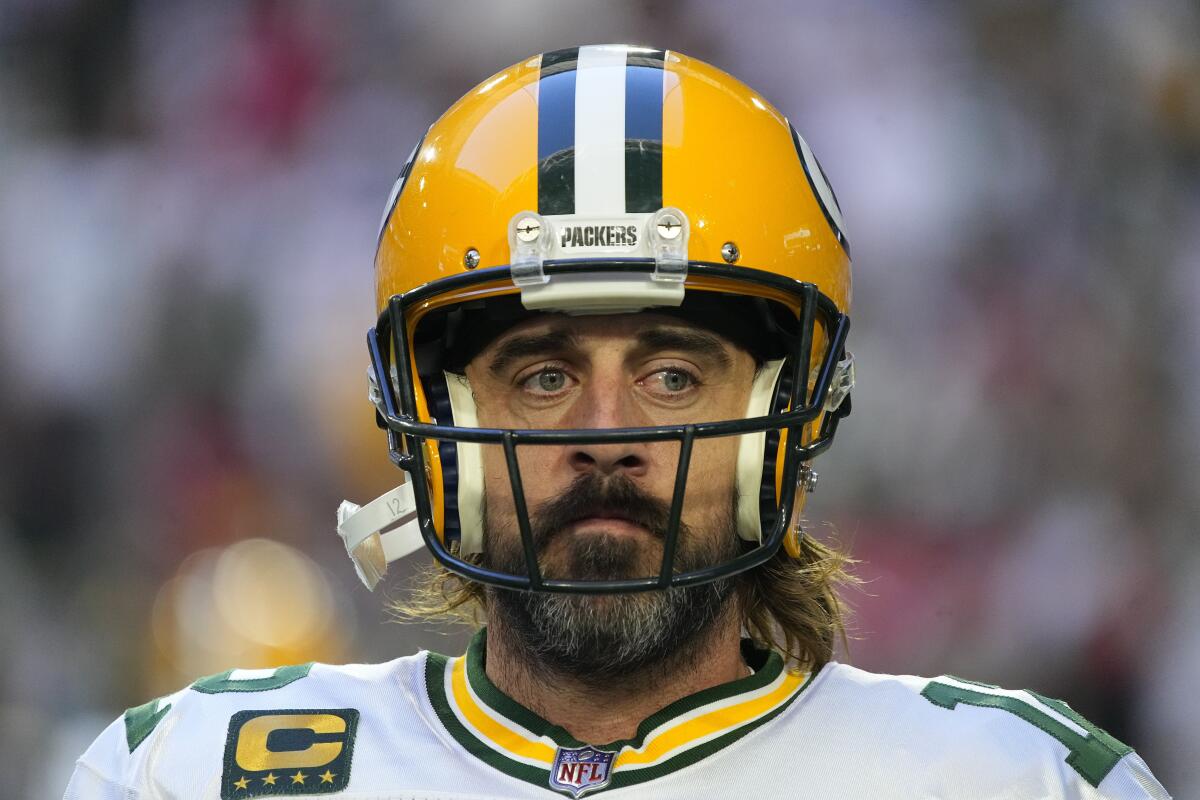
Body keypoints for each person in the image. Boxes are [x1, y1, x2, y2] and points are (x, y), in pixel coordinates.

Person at [66, 44, 1169, 800]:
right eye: (542, 375)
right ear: (430, 417)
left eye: (674, 374)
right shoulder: (193, 768)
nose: (606, 431)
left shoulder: (1006, 777)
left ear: (786, 408)